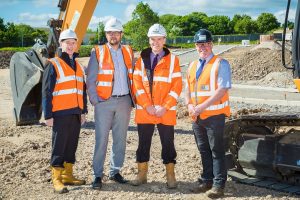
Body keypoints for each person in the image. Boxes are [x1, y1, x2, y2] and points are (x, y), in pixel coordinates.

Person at [131, 24, 182, 189]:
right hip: (146, 111)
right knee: (143, 143)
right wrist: (147, 105)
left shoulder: (173, 60)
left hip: (164, 112)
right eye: (153, 39)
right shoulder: (141, 60)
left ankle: (170, 174)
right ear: (149, 40)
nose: (156, 42)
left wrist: (164, 107)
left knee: (168, 143)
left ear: (164, 40)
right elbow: (137, 85)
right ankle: (142, 174)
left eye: (159, 39)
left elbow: (176, 86)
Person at [86, 17, 135, 190]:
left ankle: (115, 171)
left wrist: (133, 99)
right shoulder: (97, 52)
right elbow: (90, 79)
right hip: (104, 103)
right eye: (109, 32)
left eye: (116, 32)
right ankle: (97, 175)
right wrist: (95, 101)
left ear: (121, 34)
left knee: (120, 139)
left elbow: (135, 75)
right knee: (101, 139)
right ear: (106, 34)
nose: (112, 35)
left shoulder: (129, 52)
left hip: (124, 101)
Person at [185, 29, 231, 198]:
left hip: (214, 116)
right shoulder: (192, 65)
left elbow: (222, 89)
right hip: (197, 116)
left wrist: (201, 106)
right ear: (196, 46)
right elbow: (187, 89)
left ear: (211, 44)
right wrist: (189, 105)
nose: (202, 47)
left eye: (205, 43)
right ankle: (207, 181)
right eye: (199, 44)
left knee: (217, 150)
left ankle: (219, 185)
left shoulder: (221, 63)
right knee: (203, 149)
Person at [42, 29, 88, 194]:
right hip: (60, 113)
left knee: (71, 145)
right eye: (67, 42)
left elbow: (82, 91)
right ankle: (57, 179)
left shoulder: (79, 66)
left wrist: (83, 111)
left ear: (76, 44)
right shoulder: (53, 63)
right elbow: (47, 91)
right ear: (61, 44)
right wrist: (47, 115)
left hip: (76, 112)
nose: (70, 45)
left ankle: (68, 175)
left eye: (73, 42)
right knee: (59, 146)